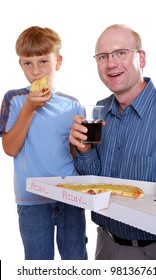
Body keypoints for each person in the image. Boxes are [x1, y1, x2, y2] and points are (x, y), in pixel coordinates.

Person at [69, 24, 156, 260]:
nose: (111, 63)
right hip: (105, 243)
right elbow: (92, 177)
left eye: (121, 53)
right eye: (103, 56)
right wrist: (83, 150)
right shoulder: (100, 111)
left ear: (141, 58)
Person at [0, 26, 87, 260]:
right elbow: (10, 148)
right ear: (20, 65)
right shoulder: (15, 99)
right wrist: (29, 108)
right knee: (38, 262)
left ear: (57, 62)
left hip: (70, 195)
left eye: (43, 62)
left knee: (75, 258)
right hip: (32, 199)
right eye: (28, 63)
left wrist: (82, 146)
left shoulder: (73, 105)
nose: (36, 71)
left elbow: (75, 154)